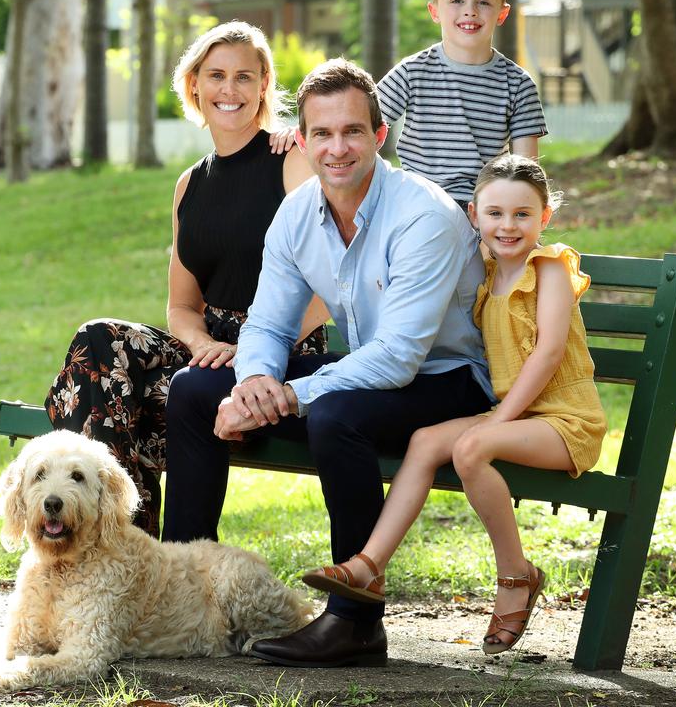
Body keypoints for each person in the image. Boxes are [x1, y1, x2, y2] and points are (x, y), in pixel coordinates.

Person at [161, 58, 494, 668]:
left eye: (352, 132)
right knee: (191, 390)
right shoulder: (298, 212)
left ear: (379, 136)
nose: (336, 148)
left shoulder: (424, 217)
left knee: (335, 414)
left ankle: (355, 624)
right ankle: (178, 597)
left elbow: (398, 358)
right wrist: (257, 378)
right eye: (322, 133)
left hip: (449, 382)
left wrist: (288, 395)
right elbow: (268, 322)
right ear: (304, 139)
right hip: (373, 376)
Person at [302, 153, 607, 655]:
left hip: (563, 422)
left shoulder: (549, 268)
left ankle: (516, 575)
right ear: (473, 216)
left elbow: (550, 351)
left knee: (469, 449)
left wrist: (495, 421)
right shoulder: (482, 271)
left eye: (523, 214)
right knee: (425, 441)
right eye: (495, 214)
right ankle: (367, 568)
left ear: (545, 217)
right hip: (512, 417)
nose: (507, 226)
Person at [44, 22, 328, 539]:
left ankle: (135, 553)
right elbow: (181, 307)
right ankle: (122, 542)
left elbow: (333, 287)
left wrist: (256, 348)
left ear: (264, 85)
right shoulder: (188, 185)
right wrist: (202, 344)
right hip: (209, 350)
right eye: (216, 75)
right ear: (194, 83)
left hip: (287, 344)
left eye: (245, 76)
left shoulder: (292, 161)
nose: (229, 89)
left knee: (126, 394)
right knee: (96, 341)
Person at [379, 0, 546, 208]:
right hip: (419, 204)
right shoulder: (411, 73)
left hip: (484, 208)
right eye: (457, 0)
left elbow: (527, 172)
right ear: (435, 11)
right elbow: (361, 123)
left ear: (502, 13)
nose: (470, 11)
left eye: (484, 2)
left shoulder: (518, 84)